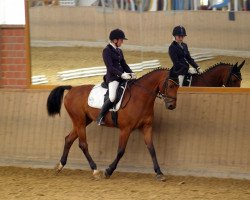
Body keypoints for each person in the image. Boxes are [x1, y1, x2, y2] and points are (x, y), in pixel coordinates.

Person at [96, 29, 136, 125]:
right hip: (113, 78)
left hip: (123, 77)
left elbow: (124, 64)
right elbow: (110, 67)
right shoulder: (106, 51)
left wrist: (131, 72)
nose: (122, 42)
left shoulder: (119, 50)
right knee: (113, 97)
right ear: (115, 40)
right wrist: (121, 74)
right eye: (121, 40)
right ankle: (100, 117)